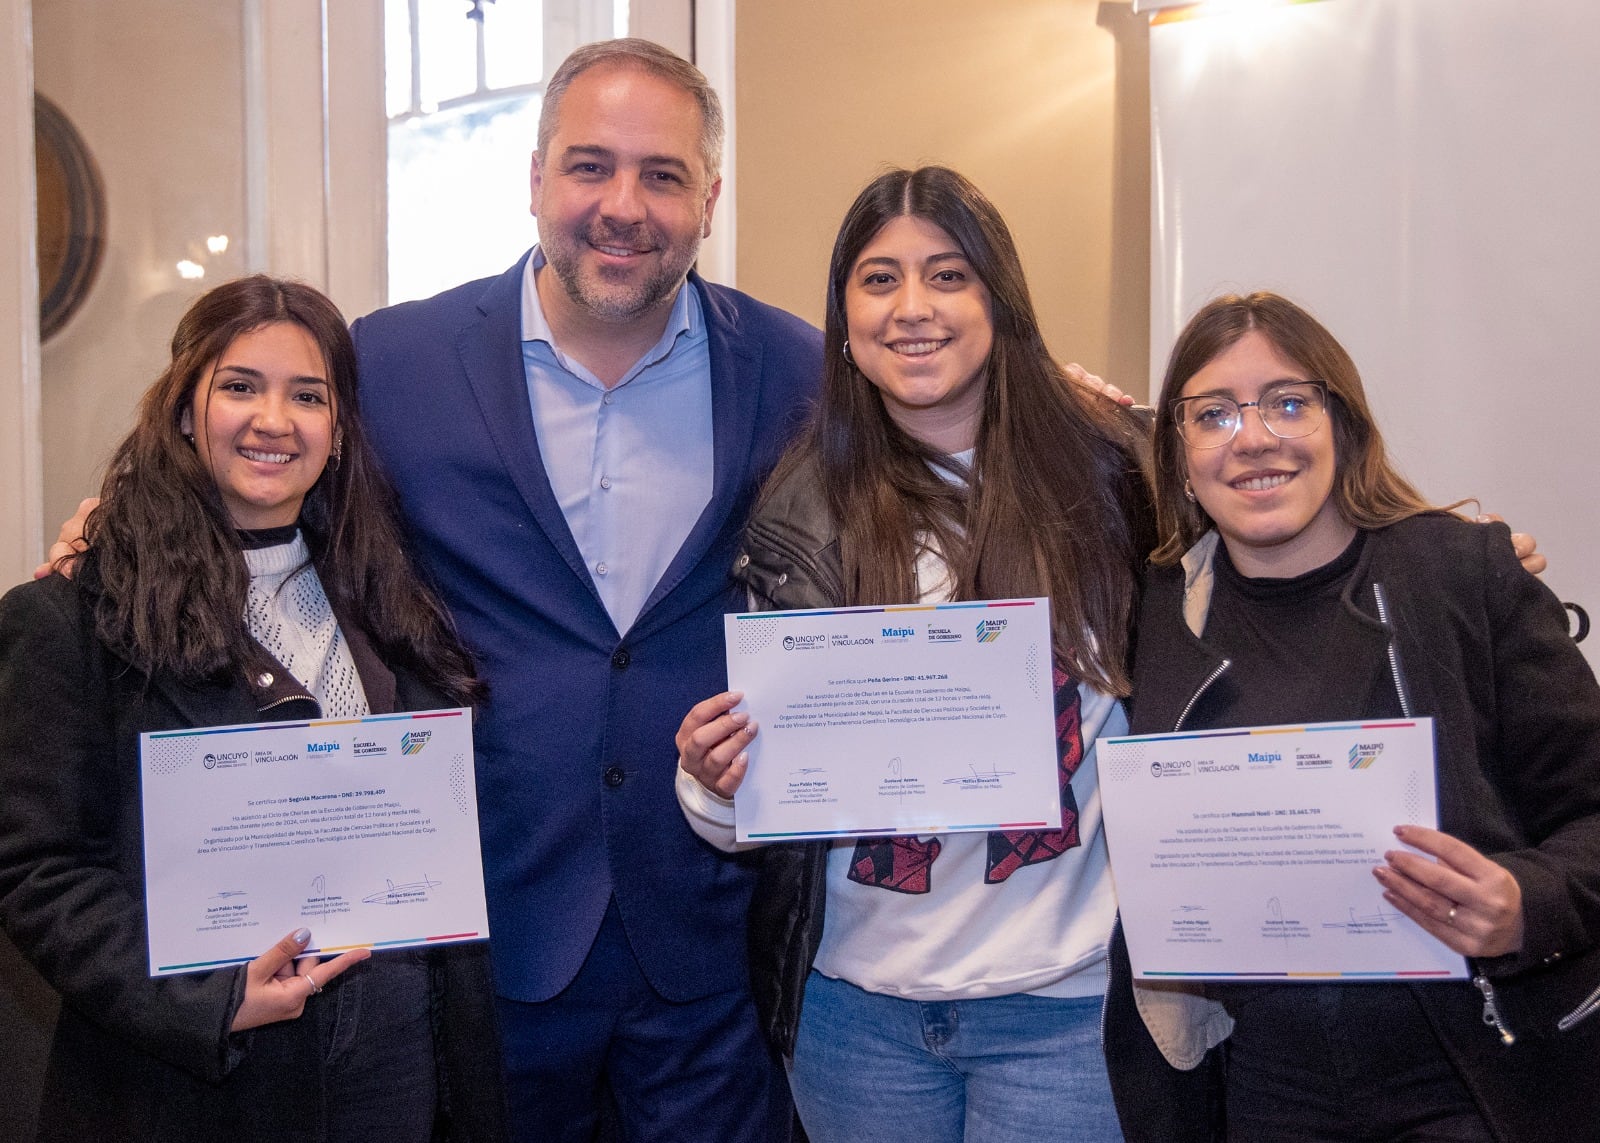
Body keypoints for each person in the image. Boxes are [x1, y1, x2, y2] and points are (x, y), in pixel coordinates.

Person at [344, 39, 820, 1142]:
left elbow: (937, 456)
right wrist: (113, 534)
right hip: (489, 922)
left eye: (662, 174)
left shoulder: (799, 372)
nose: (623, 205)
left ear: (710, 195)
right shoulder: (392, 363)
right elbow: (267, 503)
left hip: (707, 935)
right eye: (589, 166)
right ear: (533, 179)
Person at [676, 165, 1154, 1141]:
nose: (912, 308)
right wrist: (713, 783)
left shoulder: (1118, 474)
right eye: (879, 279)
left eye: (947, 275)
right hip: (858, 1015)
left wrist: (1464, 562)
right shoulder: (797, 507)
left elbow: (1287, 557)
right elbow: (751, 807)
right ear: (843, 317)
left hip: (1062, 1007)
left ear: (998, 300)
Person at [0, 276, 506, 1141]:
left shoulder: (392, 598)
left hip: (393, 1054)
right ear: (187, 410)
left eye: (307, 395)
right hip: (197, 1075)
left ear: (340, 431)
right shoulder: (75, 613)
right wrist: (212, 1002)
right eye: (240, 386)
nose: (274, 420)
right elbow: (37, 870)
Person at [1103, 292, 1600, 1142]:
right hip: (1260, 1080)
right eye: (1213, 415)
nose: (1254, 438)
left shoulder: (1461, 573)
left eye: (1289, 402)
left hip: (1478, 1068)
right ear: (1178, 453)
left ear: (1343, 422)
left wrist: (1527, 902)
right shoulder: (1155, 610)